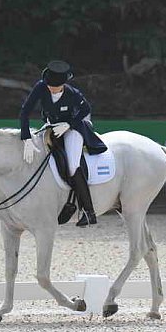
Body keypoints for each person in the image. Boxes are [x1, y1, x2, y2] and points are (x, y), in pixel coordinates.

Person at [19, 60, 107, 226]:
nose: (52, 89)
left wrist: (69, 124)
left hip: (73, 129)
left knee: (73, 165)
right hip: (51, 127)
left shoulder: (72, 93)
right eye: (50, 85)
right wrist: (26, 138)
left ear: (64, 84)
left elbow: (85, 109)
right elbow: (25, 111)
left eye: (56, 86)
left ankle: (88, 211)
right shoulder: (40, 87)